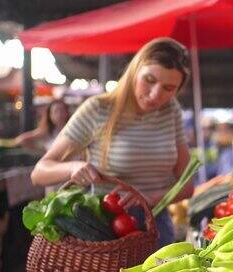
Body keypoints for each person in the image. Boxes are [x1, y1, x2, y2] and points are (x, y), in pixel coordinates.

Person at [31, 37, 194, 247]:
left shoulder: (171, 112)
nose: (155, 95)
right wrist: (73, 167)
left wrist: (151, 198)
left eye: (168, 88)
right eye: (150, 80)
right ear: (135, 70)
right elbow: (39, 173)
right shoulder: (98, 109)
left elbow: (188, 186)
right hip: (106, 231)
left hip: (157, 228)